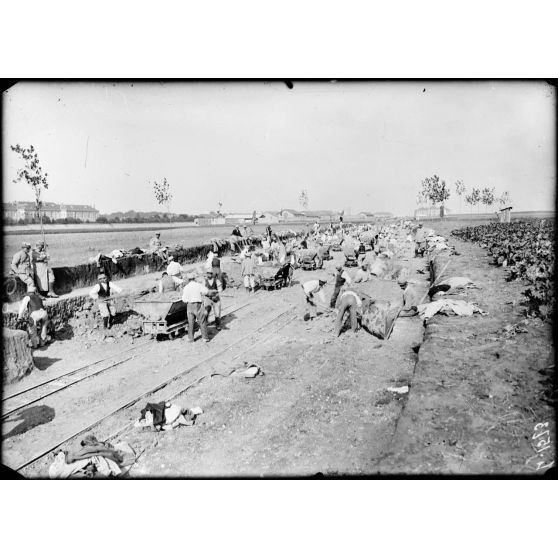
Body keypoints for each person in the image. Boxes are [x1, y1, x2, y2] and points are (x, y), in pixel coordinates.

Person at [181, 272, 209, 342]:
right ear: (194, 278)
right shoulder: (198, 285)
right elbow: (206, 291)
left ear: (188, 279)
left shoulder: (186, 287)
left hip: (189, 305)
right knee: (202, 321)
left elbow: (184, 299)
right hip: (198, 305)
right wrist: (201, 294)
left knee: (190, 322)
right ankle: (205, 338)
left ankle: (191, 338)